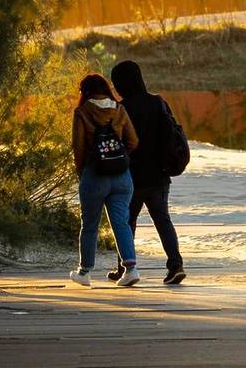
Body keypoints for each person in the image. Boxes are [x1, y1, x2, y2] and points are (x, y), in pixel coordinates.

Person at [108, 60, 186, 285]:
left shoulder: (121, 109)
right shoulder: (158, 102)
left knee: (126, 222)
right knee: (163, 221)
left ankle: (124, 268)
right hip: (159, 175)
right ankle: (175, 266)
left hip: (131, 176)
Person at [69, 74, 141, 287]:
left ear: (85, 91)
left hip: (94, 175)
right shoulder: (119, 109)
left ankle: (84, 272)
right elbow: (133, 141)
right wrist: (119, 159)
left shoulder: (82, 112)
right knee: (121, 222)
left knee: (90, 224)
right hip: (122, 175)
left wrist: (83, 171)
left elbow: (79, 147)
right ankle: (131, 269)